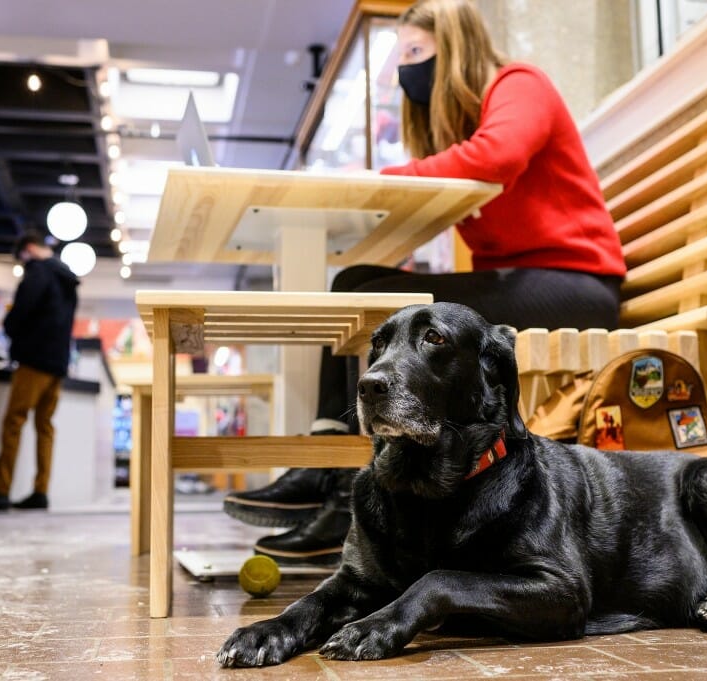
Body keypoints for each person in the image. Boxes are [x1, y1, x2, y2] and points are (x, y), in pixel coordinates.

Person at [223, 0, 627, 564]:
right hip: (526, 278)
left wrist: (378, 176)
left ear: (454, 44)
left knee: (368, 296)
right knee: (358, 282)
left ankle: (340, 491)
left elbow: (499, 156)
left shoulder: (519, 84)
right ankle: (329, 459)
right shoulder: (461, 128)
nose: (406, 70)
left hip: (575, 282)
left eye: (416, 53)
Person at [0, 231, 80, 511]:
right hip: (58, 362)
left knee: (14, 422)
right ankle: (40, 491)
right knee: (45, 427)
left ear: (27, 250)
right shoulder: (68, 279)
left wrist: (9, 328)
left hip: (34, 360)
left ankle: (0, 490)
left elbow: (22, 311)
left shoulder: (37, 272)